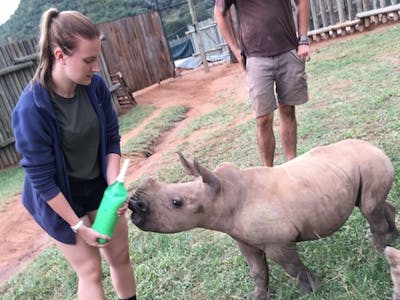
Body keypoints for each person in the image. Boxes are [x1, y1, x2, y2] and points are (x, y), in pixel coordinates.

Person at [12, 8, 137, 300]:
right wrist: (78, 225)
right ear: (60, 56)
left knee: (119, 256)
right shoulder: (31, 109)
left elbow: (110, 140)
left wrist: (113, 187)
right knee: (91, 270)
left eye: (97, 58)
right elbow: (42, 183)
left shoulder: (94, 87)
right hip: (58, 197)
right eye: (89, 60)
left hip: (96, 183)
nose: (96, 68)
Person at [214, 0, 310, 166]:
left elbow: (302, 1)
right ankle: (268, 171)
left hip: (287, 50)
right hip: (256, 57)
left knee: (287, 109)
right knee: (263, 118)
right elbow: (219, 13)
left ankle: (292, 165)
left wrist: (303, 39)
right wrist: (236, 51)